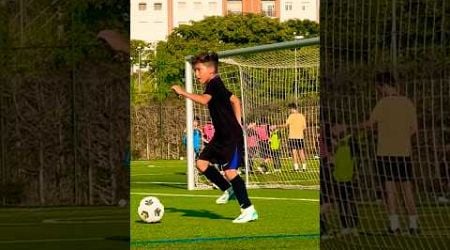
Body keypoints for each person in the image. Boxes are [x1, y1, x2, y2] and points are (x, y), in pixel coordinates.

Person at [171, 51, 258, 223]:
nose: (196, 74)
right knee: (201, 163)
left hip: (230, 136)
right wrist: (238, 121)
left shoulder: (214, 84)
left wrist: (183, 92)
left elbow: (204, 100)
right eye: (194, 71)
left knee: (230, 172)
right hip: (221, 135)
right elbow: (235, 100)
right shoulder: (217, 84)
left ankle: (248, 209)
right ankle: (228, 190)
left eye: (198, 70)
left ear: (210, 70)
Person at [361, 71, 419, 234]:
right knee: (407, 189)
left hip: (385, 153)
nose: (379, 91)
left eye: (378, 88)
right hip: (403, 153)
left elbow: (370, 123)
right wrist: (401, 137)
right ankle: (413, 225)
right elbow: (414, 129)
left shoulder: (383, 103)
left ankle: (394, 226)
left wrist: (350, 127)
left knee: (390, 190)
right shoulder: (407, 103)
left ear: (383, 86)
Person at [277, 103, 307, 171]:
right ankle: (304, 167)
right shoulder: (302, 116)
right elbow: (304, 127)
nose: (289, 111)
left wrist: (276, 126)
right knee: (301, 152)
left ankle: (296, 168)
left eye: (289, 109)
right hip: (300, 137)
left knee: (294, 152)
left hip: (292, 136)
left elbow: (286, 125)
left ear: (291, 109)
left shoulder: (291, 116)